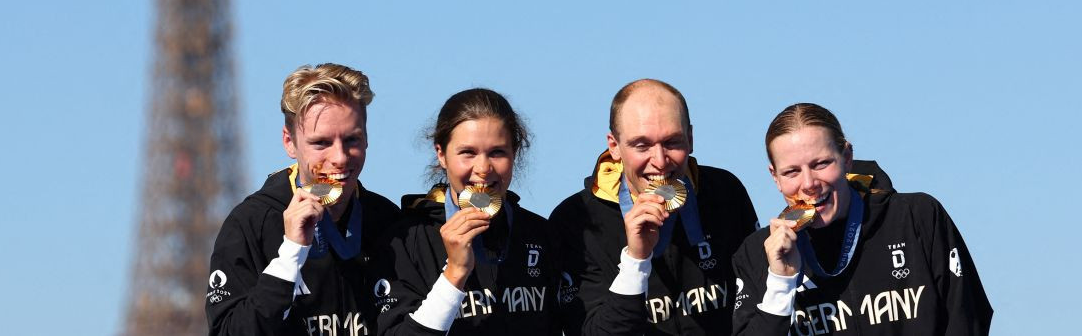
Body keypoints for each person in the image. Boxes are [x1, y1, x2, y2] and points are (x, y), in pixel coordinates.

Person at [731, 103, 992, 335]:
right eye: (792, 172)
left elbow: (968, 317)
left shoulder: (916, 217)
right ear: (775, 177)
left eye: (821, 164)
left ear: (846, 158)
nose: (809, 183)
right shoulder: (757, 254)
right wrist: (780, 282)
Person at [550, 79, 760, 335]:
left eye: (672, 142)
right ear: (614, 146)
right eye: (642, 145)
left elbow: (756, 311)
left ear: (691, 139)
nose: (660, 161)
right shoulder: (577, 220)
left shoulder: (725, 191)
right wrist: (636, 260)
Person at [206, 63, 400, 336]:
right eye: (321, 143)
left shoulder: (389, 221)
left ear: (367, 138)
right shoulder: (251, 224)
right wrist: (291, 253)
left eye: (352, 140)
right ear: (289, 142)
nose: (340, 157)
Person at [374, 88, 561, 335]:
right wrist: (454, 273)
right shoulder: (405, 242)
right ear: (441, 154)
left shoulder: (539, 233)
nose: (483, 168)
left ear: (514, 153)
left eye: (497, 152)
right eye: (468, 153)